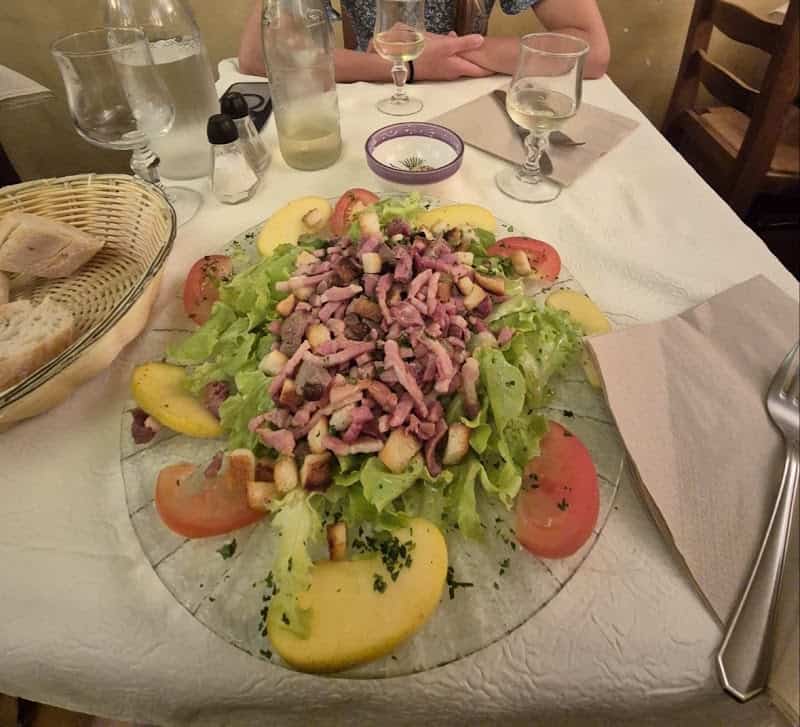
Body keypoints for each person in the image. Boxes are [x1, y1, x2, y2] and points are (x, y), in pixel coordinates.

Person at [238, 0, 610, 82]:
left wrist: (448, 51)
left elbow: (592, 52)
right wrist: (406, 65)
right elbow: (258, 55)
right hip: (370, 96)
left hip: (470, 90)